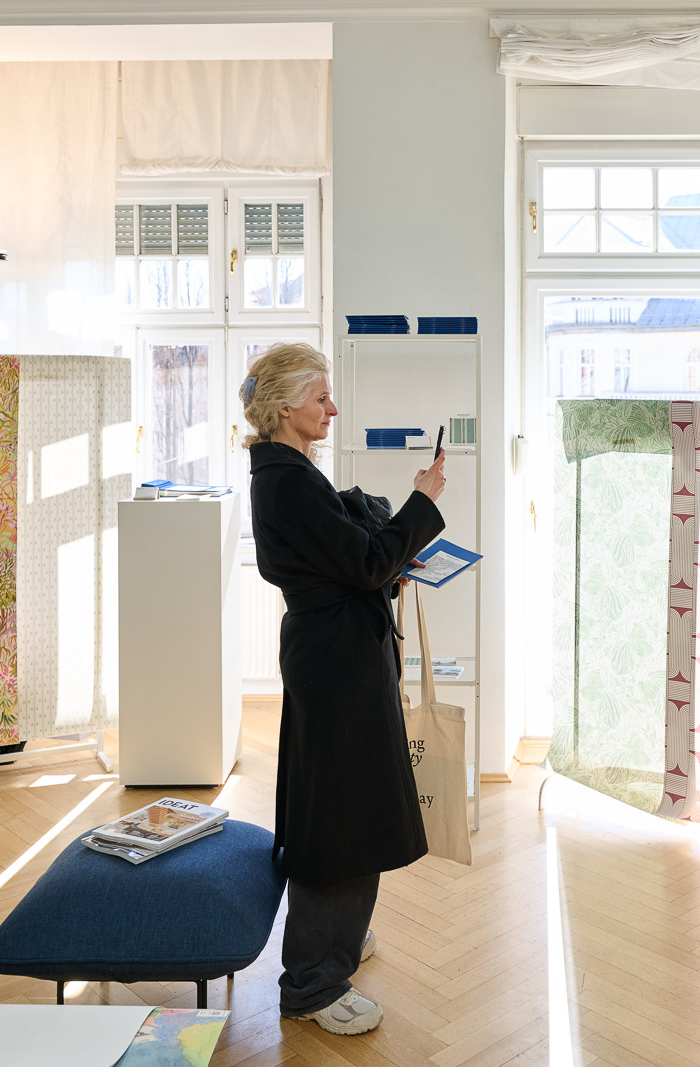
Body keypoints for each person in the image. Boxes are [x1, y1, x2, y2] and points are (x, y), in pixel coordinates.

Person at [240, 342, 447, 1035]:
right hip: (336, 665)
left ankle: (338, 942)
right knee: (342, 817)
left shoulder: (291, 473)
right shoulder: (289, 481)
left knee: (346, 809)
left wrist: (385, 563)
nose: (332, 408)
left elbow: (350, 567)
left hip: (336, 657)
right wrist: (421, 502)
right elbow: (364, 562)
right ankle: (312, 981)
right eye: (320, 397)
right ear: (282, 407)